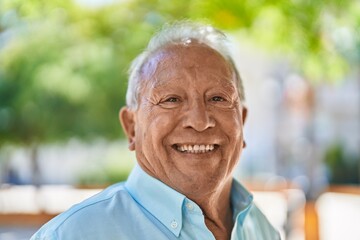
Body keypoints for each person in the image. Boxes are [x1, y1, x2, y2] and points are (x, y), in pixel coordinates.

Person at [31, 21, 280, 240]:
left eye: (218, 98)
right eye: (171, 99)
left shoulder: (261, 229)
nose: (199, 121)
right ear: (131, 127)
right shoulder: (70, 236)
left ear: (242, 122)